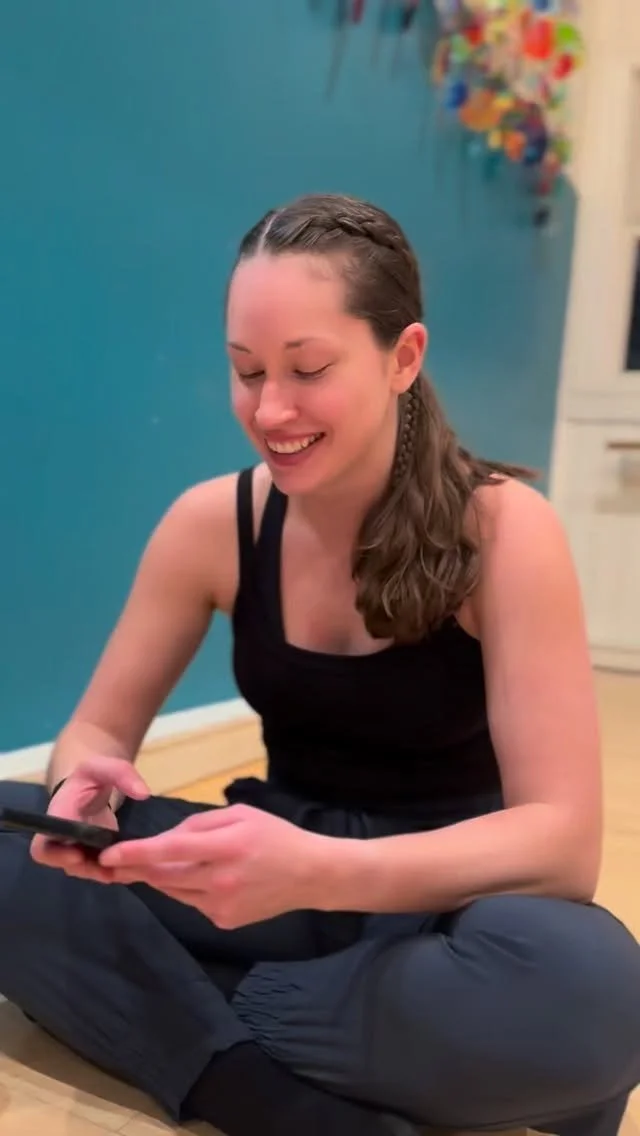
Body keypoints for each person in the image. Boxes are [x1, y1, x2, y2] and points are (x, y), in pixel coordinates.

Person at [1, 192, 639, 1136]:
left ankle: (181, 1018)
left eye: (308, 369)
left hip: (445, 899)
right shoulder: (209, 524)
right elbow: (96, 730)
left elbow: (562, 844)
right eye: (246, 370)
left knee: (589, 989)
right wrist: (79, 787)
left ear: (403, 358)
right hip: (265, 880)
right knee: (10, 838)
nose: (271, 409)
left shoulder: (505, 530)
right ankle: (274, 1095)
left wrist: (320, 871)